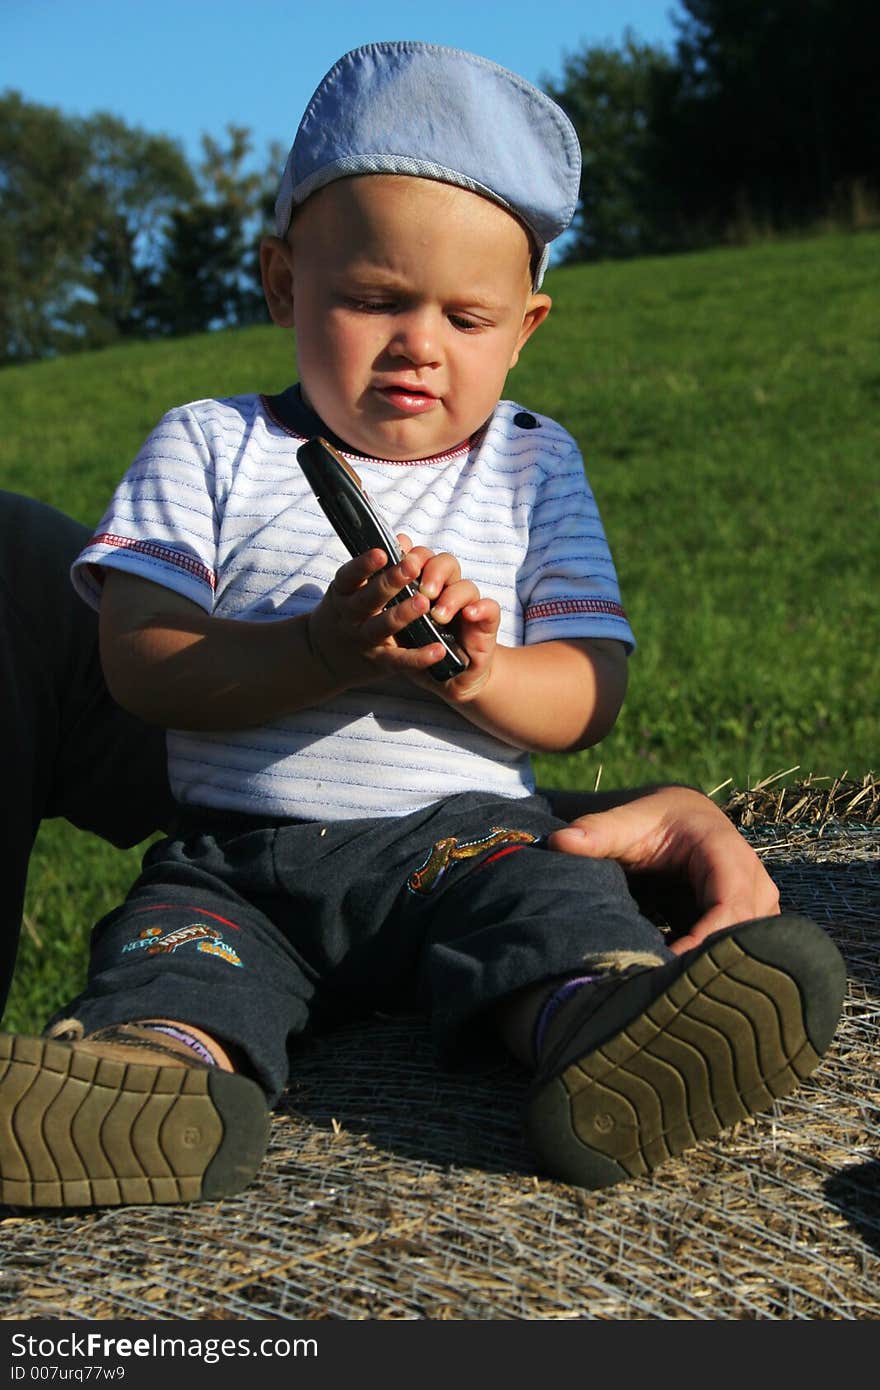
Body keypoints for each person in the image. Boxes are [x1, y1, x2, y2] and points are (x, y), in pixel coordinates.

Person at [0, 44, 844, 1209]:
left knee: (551, 905)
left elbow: (589, 691)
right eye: (373, 300)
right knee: (173, 961)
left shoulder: (532, 466)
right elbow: (140, 660)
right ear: (282, 283)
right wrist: (314, 651)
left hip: (463, 837)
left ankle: (602, 1031)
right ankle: (150, 1083)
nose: (420, 342)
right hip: (237, 859)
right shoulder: (209, 443)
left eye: (467, 314)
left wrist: (479, 674)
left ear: (527, 326)